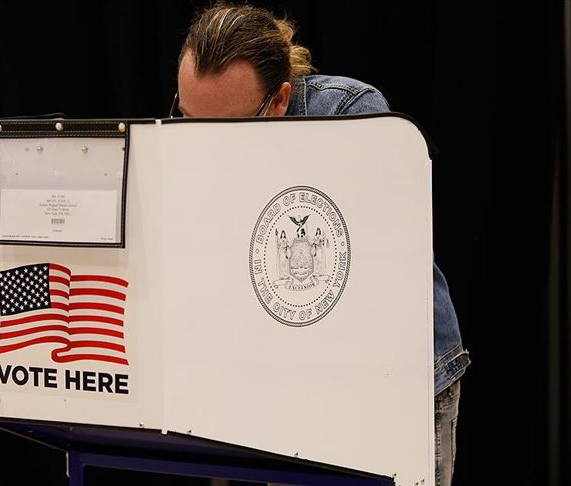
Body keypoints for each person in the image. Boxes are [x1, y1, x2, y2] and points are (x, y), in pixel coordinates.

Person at [171, 4, 470, 486]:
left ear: (280, 99)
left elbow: (369, 278)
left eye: (225, 129)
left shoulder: (350, 116)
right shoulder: (200, 128)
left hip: (390, 379)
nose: (202, 144)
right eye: (187, 120)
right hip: (276, 380)